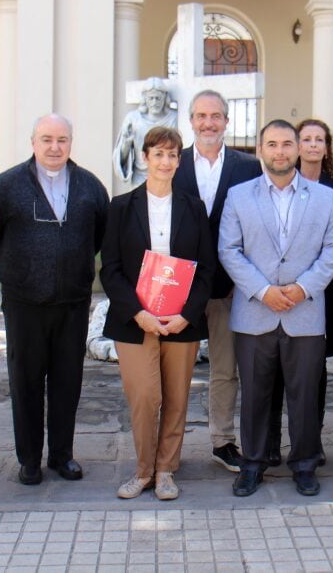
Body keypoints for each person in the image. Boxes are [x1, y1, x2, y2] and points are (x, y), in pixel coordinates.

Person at [218, 119, 333, 497]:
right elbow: (229, 249)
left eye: (287, 143)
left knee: (304, 395)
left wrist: (303, 288)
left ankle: (304, 464)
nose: (280, 151)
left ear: (298, 149)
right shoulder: (239, 196)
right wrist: (262, 290)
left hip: (304, 313)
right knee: (255, 395)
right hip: (254, 312)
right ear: (260, 150)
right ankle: (253, 463)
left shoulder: (324, 197)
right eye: (271, 144)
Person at [0, 114, 109, 486]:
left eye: (62, 140)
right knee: (24, 381)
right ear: (33, 142)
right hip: (24, 302)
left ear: (71, 143)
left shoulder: (90, 186)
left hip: (72, 302)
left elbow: (98, 237)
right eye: (46, 139)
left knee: (67, 381)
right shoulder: (7, 186)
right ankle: (29, 459)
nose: (54, 147)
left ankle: (62, 455)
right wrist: (24, 269)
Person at [100, 126, 215, 500]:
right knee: (146, 397)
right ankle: (143, 470)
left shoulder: (194, 208)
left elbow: (206, 267)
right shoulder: (121, 207)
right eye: (158, 154)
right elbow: (111, 269)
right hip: (136, 321)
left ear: (178, 162)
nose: (165, 161)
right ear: (145, 158)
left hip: (180, 319)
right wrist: (137, 312)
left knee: (178, 398)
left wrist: (188, 313)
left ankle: (166, 470)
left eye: (172, 155)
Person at [171, 89, 261, 473]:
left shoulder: (248, 167)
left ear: (227, 121)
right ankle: (166, 446)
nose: (208, 123)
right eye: (201, 116)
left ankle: (222, 441)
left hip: (228, 286)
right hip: (179, 288)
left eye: (216, 116)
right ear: (191, 121)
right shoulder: (172, 163)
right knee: (174, 372)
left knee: (226, 369)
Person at [264, 118, 333, 467]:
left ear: (326, 147)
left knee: (312, 374)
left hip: (316, 293)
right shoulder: (277, 182)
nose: (313, 145)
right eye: (307, 139)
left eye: (319, 139)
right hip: (272, 296)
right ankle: (269, 444)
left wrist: (306, 286)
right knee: (273, 374)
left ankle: (310, 442)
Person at [114, 77, 180, 186]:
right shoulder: (133, 119)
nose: (155, 102)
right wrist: (126, 143)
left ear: (164, 98)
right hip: (140, 177)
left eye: (158, 98)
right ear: (145, 99)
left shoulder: (174, 119)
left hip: (167, 177)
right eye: (151, 98)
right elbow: (121, 158)